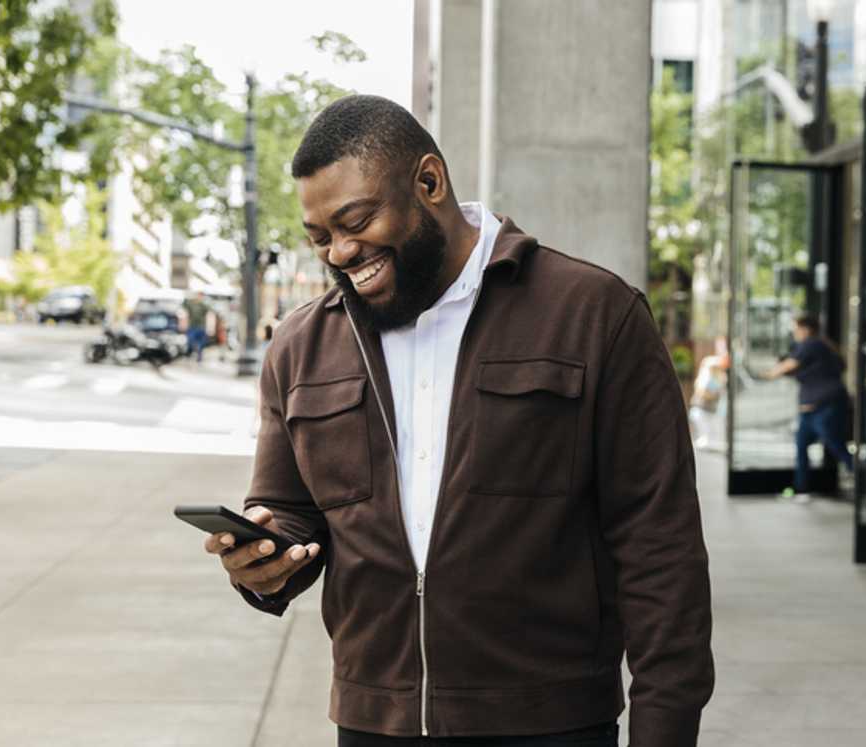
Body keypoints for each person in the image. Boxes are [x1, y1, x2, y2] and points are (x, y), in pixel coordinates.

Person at [199, 96, 713, 747]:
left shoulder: (594, 315)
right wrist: (263, 558)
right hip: (372, 723)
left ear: (429, 182)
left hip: (550, 723)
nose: (340, 252)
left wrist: (664, 731)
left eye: (355, 221)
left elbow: (661, 550)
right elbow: (289, 510)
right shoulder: (301, 344)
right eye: (320, 237)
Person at [763, 315, 853, 501]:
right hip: (812, 409)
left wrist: (768, 374)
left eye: (795, 328)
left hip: (825, 406)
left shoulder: (812, 344)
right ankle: (801, 489)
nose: (794, 333)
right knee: (803, 446)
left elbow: (789, 365)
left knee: (836, 445)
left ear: (806, 329)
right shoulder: (820, 346)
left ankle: (863, 482)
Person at [183, 292, 210, 363]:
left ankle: (199, 355)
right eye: (198, 296)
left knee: (201, 343)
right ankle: (191, 351)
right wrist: (187, 296)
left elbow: (209, 311)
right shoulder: (191, 304)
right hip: (192, 326)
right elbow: (184, 304)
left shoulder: (204, 305)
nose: (199, 297)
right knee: (190, 341)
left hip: (201, 326)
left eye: (201, 296)